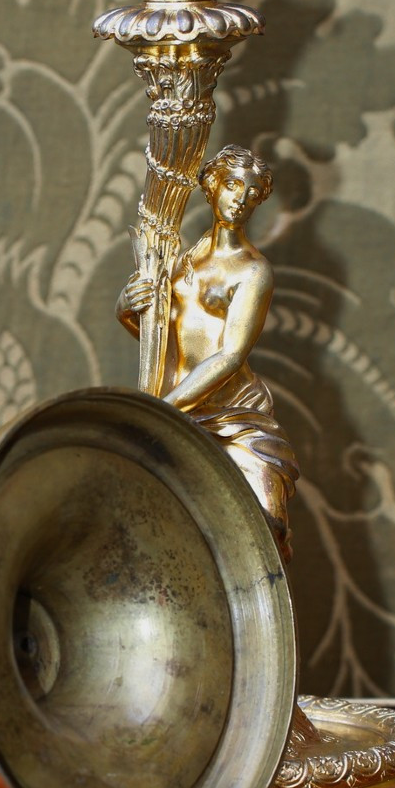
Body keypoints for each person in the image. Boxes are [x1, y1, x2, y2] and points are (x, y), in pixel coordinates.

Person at [117, 145, 298, 561]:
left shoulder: (254, 272)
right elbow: (156, 334)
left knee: (269, 524)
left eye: (252, 193)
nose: (240, 199)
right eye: (233, 185)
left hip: (233, 415)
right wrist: (127, 307)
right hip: (179, 405)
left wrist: (163, 410)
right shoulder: (179, 260)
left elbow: (230, 356)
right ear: (212, 186)